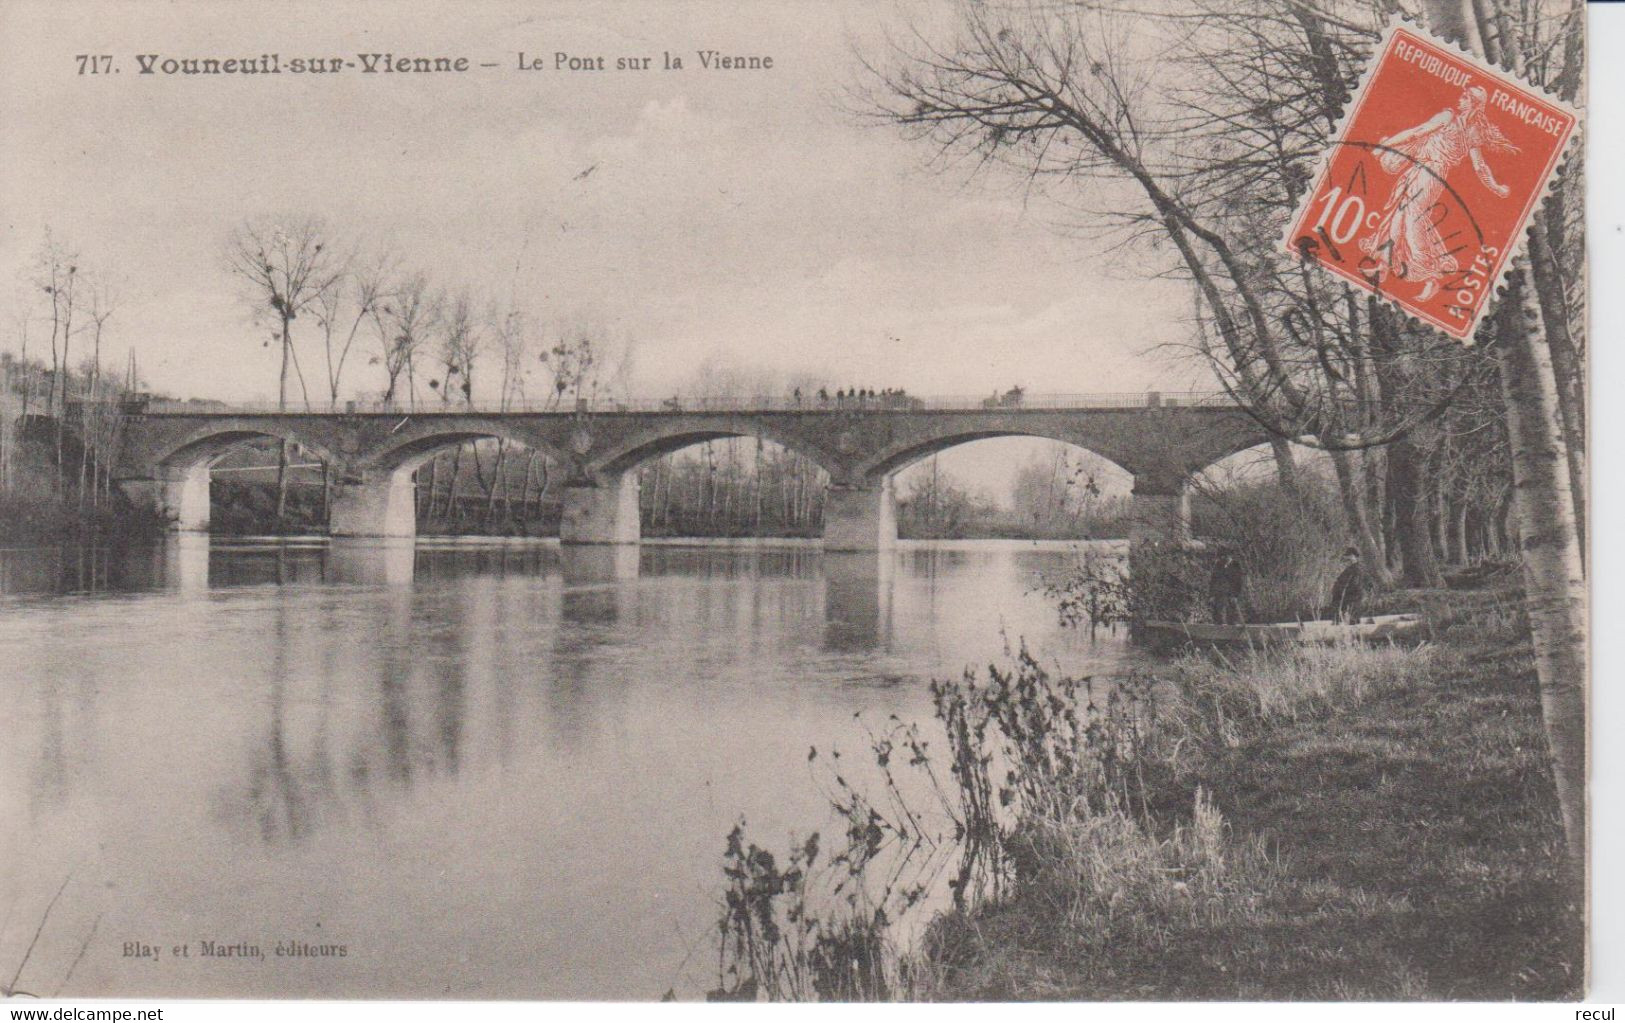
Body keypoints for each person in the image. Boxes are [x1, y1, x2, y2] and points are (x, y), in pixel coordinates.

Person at [1358, 84, 1518, 302]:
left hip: (1431, 174)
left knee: (1413, 221)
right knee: (1399, 216)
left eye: (1465, 97)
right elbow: (1478, 165)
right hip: (1425, 170)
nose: (1460, 99)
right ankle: (1384, 266)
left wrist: (1384, 146)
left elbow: (1416, 133)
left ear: (1473, 103)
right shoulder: (1469, 128)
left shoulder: (1455, 121)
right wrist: (1496, 188)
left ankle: (1431, 277)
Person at [1329, 546, 1366, 624]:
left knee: (1352, 619)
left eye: (1349, 556)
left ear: (1354, 556)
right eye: (1347, 556)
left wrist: (1341, 592)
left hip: (1352, 599)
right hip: (1348, 598)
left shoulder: (1357, 569)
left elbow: (1354, 585)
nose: (1347, 558)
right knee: (1346, 618)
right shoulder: (1351, 568)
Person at [1208, 551, 1246, 624]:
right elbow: (1213, 581)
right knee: (1217, 612)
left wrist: (1235, 595)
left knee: (1231, 613)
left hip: (1231, 593)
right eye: (1222, 557)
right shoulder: (1218, 565)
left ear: (1229, 556)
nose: (1223, 559)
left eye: (1225, 557)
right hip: (1219, 592)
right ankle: (1218, 628)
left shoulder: (1236, 565)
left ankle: (1231, 628)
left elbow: (1239, 582)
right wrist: (1211, 595)